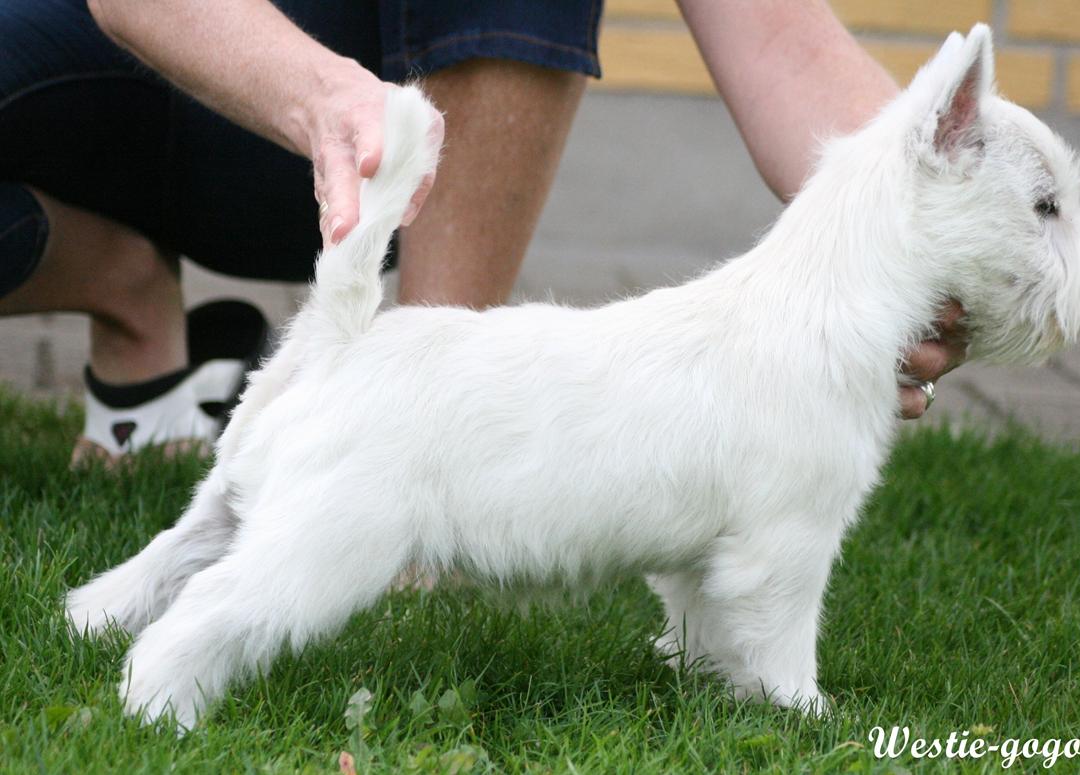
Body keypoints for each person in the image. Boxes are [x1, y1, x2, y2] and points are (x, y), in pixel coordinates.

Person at [0, 0, 965, 463]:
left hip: (393, 132)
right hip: (154, 61)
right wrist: (321, 96)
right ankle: (125, 292)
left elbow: (782, 39)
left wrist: (919, 223)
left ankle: (424, 440)